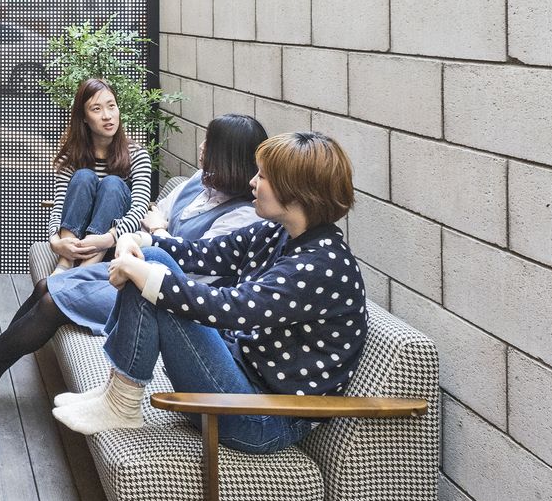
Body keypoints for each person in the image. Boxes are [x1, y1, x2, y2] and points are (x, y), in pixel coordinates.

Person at [51, 131, 367, 455]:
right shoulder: (278, 232)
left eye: (263, 177)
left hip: (262, 419)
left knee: (153, 273)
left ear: (296, 193)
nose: (252, 182)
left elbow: (233, 309)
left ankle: (120, 403)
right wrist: (138, 241)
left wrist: (140, 272)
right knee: (154, 258)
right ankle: (117, 394)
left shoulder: (322, 267)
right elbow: (205, 252)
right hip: (237, 378)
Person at [0, 114, 268, 397]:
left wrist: (158, 231)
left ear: (226, 155)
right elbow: (153, 215)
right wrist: (151, 231)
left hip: (160, 300)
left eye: (209, 143)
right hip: (135, 268)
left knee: (52, 302)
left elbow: (191, 272)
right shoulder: (198, 181)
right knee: (46, 285)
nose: (201, 147)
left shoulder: (242, 215)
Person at [48, 77, 153, 272]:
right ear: (84, 117)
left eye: (111, 106)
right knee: (84, 177)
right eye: (96, 109)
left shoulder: (137, 155)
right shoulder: (71, 156)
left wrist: (108, 238)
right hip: (75, 243)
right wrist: (55, 242)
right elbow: (59, 204)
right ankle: (64, 264)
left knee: (112, 184)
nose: (107, 116)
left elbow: (139, 209)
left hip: (116, 243)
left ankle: (84, 271)